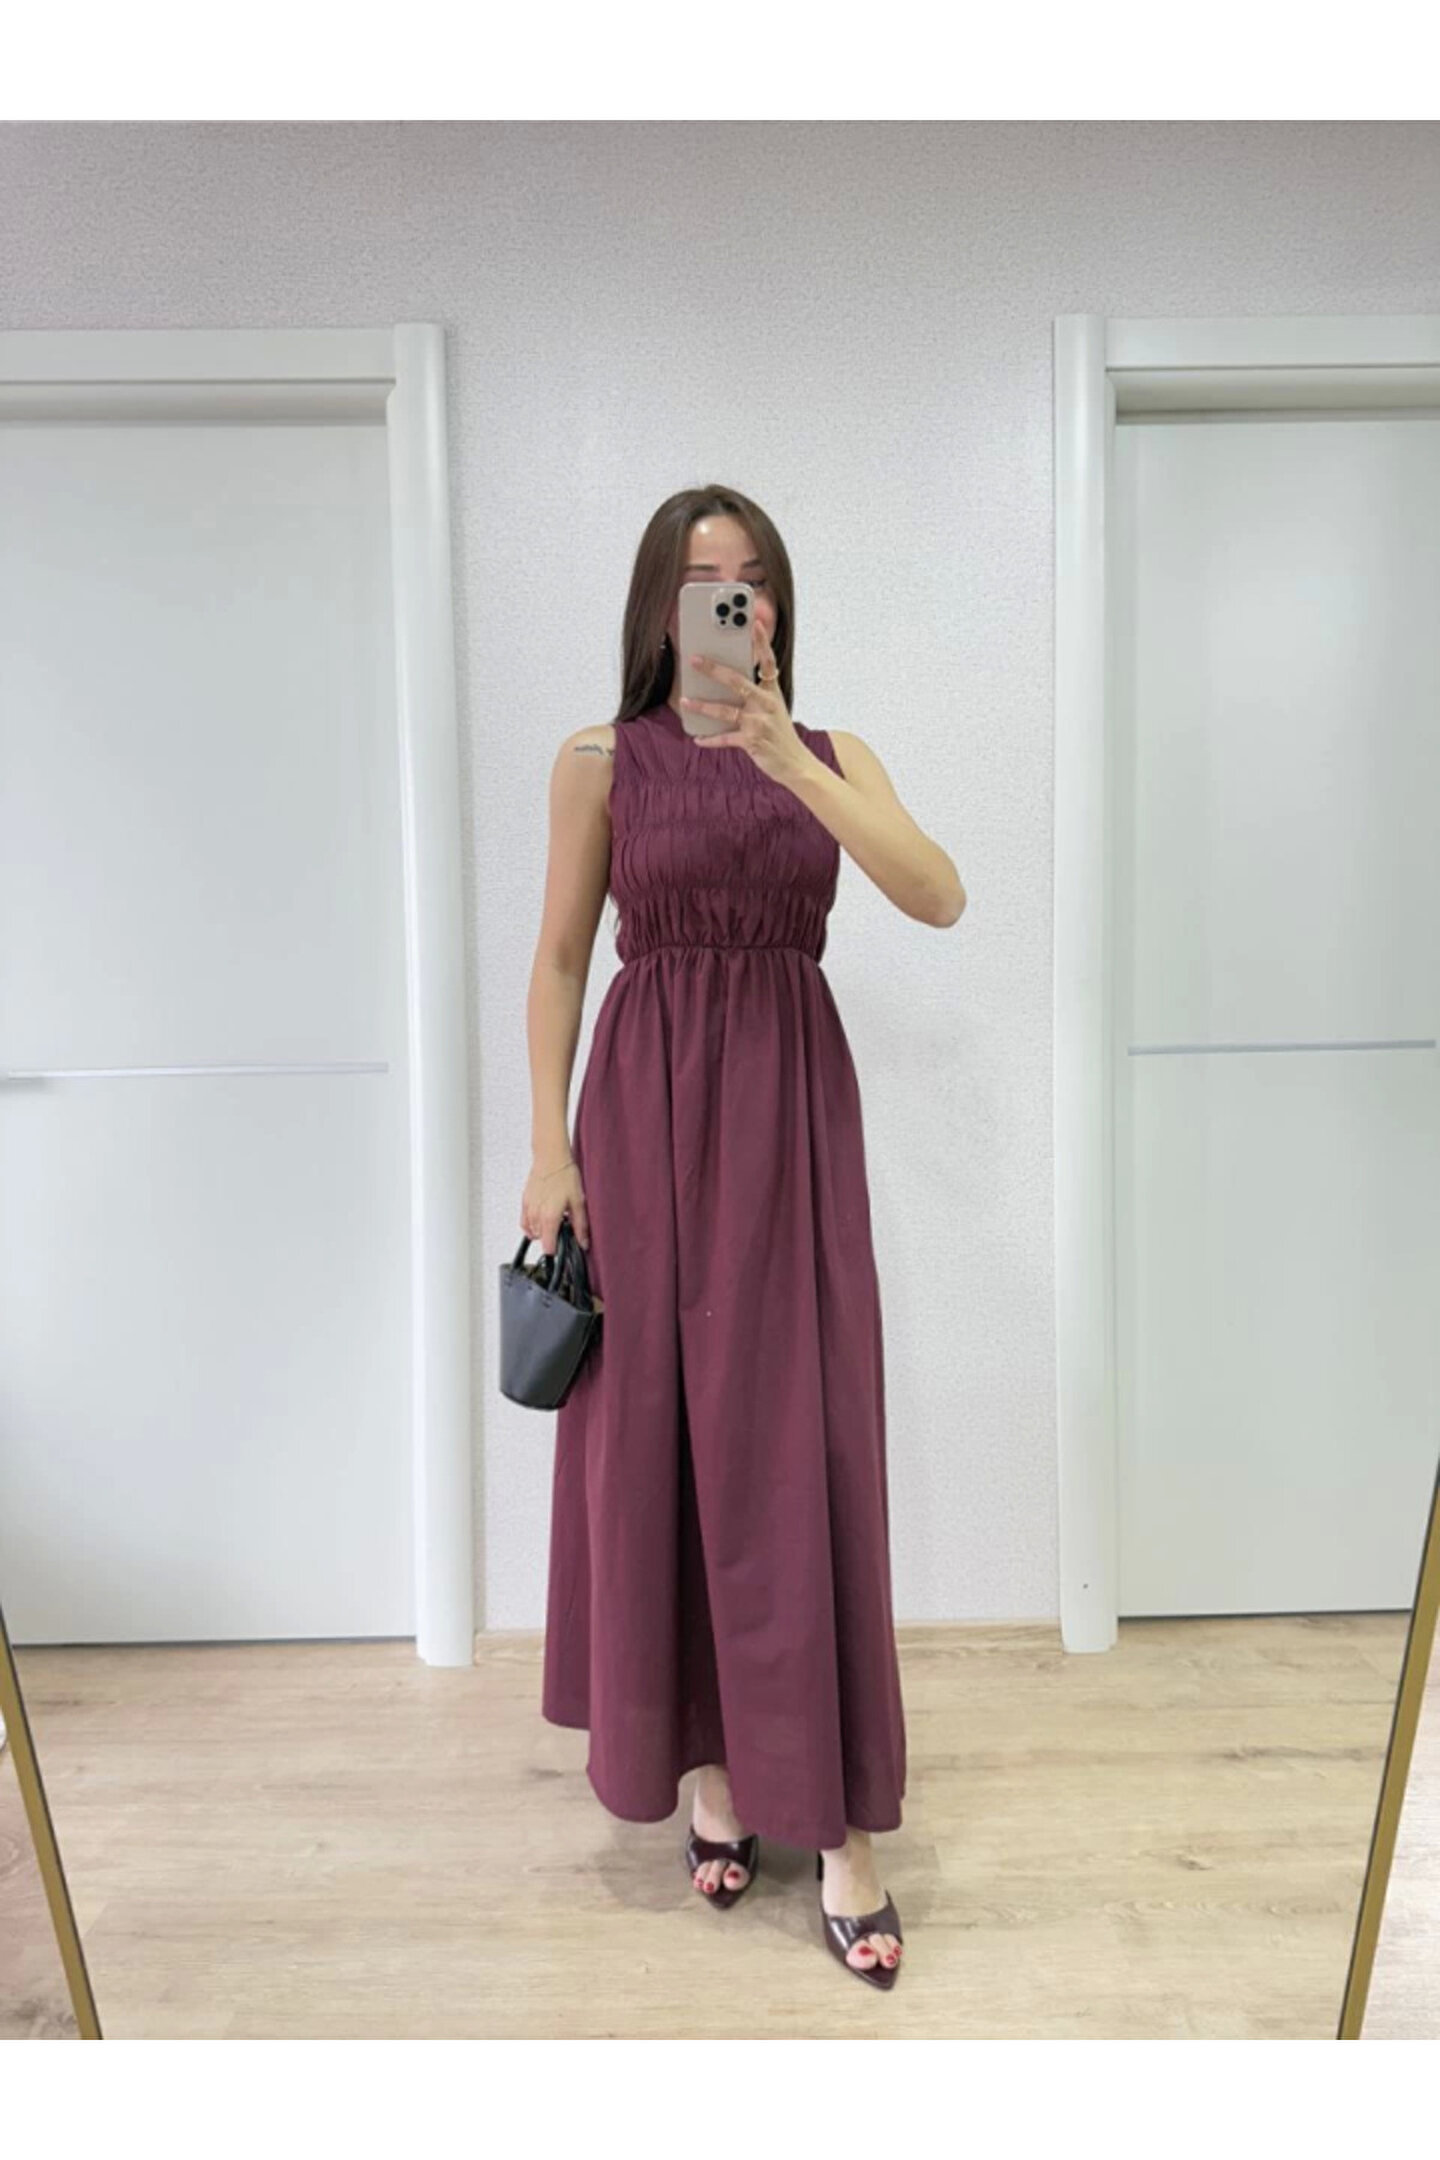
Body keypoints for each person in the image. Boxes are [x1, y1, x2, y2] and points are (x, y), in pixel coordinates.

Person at [522, 486, 964, 1989]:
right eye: (704, 578)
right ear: (660, 606)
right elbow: (562, 959)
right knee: (669, 1449)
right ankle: (711, 1776)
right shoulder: (598, 761)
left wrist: (785, 757)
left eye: (755, 579)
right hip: (642, 1126)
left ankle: (840, 1834)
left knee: (800, 1450)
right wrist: (547, 1152)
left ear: (777, 609)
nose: (734, 599)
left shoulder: (833, 754)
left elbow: (938, 895)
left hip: (790, 1125)